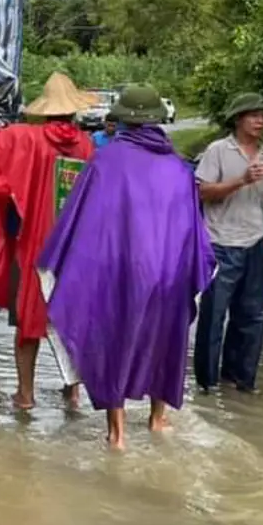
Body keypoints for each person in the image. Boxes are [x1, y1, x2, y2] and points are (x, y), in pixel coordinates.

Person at [37, 85, 216, 450]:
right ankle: (157, 419)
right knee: (165, 341)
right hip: (168, 273)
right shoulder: (179, 169)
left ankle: (116, 434)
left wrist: (62, 262)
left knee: (114, 342)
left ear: (123, 120)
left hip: (117, 272)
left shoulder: (105, 161)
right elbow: (190, 231)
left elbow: (81, 221)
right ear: (156, 121)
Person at [0, 71, 95, 411]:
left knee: (29, 316)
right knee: (71, 317)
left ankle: (25, 394)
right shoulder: (86, 145)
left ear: (44, 111)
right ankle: (72, 393)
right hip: (74, 246)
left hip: (35, 244)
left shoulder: (26, 138)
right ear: (74, 111)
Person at [192, 92, 263, 394]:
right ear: (238, 119)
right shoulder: (218, 151)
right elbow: (202, 192)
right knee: (214, 314)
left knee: (253, 313)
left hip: (256, 240)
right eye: (254, 115)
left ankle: (241, 380)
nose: (261, 121)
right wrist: (242, 180)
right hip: (220, 241)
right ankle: (207, 382)